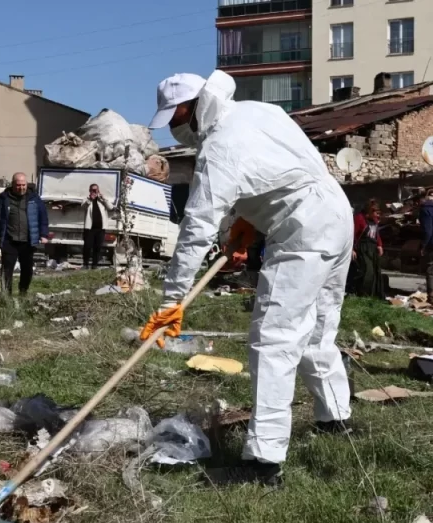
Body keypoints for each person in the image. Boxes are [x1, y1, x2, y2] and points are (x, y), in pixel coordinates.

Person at [141, 71, 355, 486]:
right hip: (335, 213)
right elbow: (281, 171)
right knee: (318, 329)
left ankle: (263, 462)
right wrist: (248, 221)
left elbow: (196, 229)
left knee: (274, 337)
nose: (174, 128)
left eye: (175, 117)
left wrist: (171, 301)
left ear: (193, 106)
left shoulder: (219, 148)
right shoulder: (258, 111)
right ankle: (335, 419)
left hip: (303, 229)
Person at [0, 172, 49, 296]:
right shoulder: (3, 199)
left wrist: (43, 234)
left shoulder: (34, 199)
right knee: (7, 269)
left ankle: (23, 292)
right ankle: (6, 295)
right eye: (18, 185)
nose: (21, 187)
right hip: (9, 240)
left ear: (27, 184)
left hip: (28, 240)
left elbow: (43, 217)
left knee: (27, 269)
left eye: (23, 185)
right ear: (12, 184)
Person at [347, 199, 385, 298]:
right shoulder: (359, 218)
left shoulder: (374, 221)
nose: (377, 215)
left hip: (372, 248)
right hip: (362, 248)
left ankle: (372, 294)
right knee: (367, 271)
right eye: (376, 213)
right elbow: (352, 234)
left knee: (375, 271)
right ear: (370, 211)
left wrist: (379, 245)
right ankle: (362, 294)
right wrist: (352, 248)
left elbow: (376, 234)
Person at [83, 183, 113, 269]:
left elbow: (110, 207)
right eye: (93, 190)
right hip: (90, 228)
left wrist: (103, 199)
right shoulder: (86, 199)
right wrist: (90, 199)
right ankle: (85, 264)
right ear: (90, 190)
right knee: (87, 246)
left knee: (98, 247)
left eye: (96, 190)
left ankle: (94, 265)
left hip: (100, 228)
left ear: (98, 190)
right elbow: (83, 206)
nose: (94, 191)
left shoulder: (101, 200)